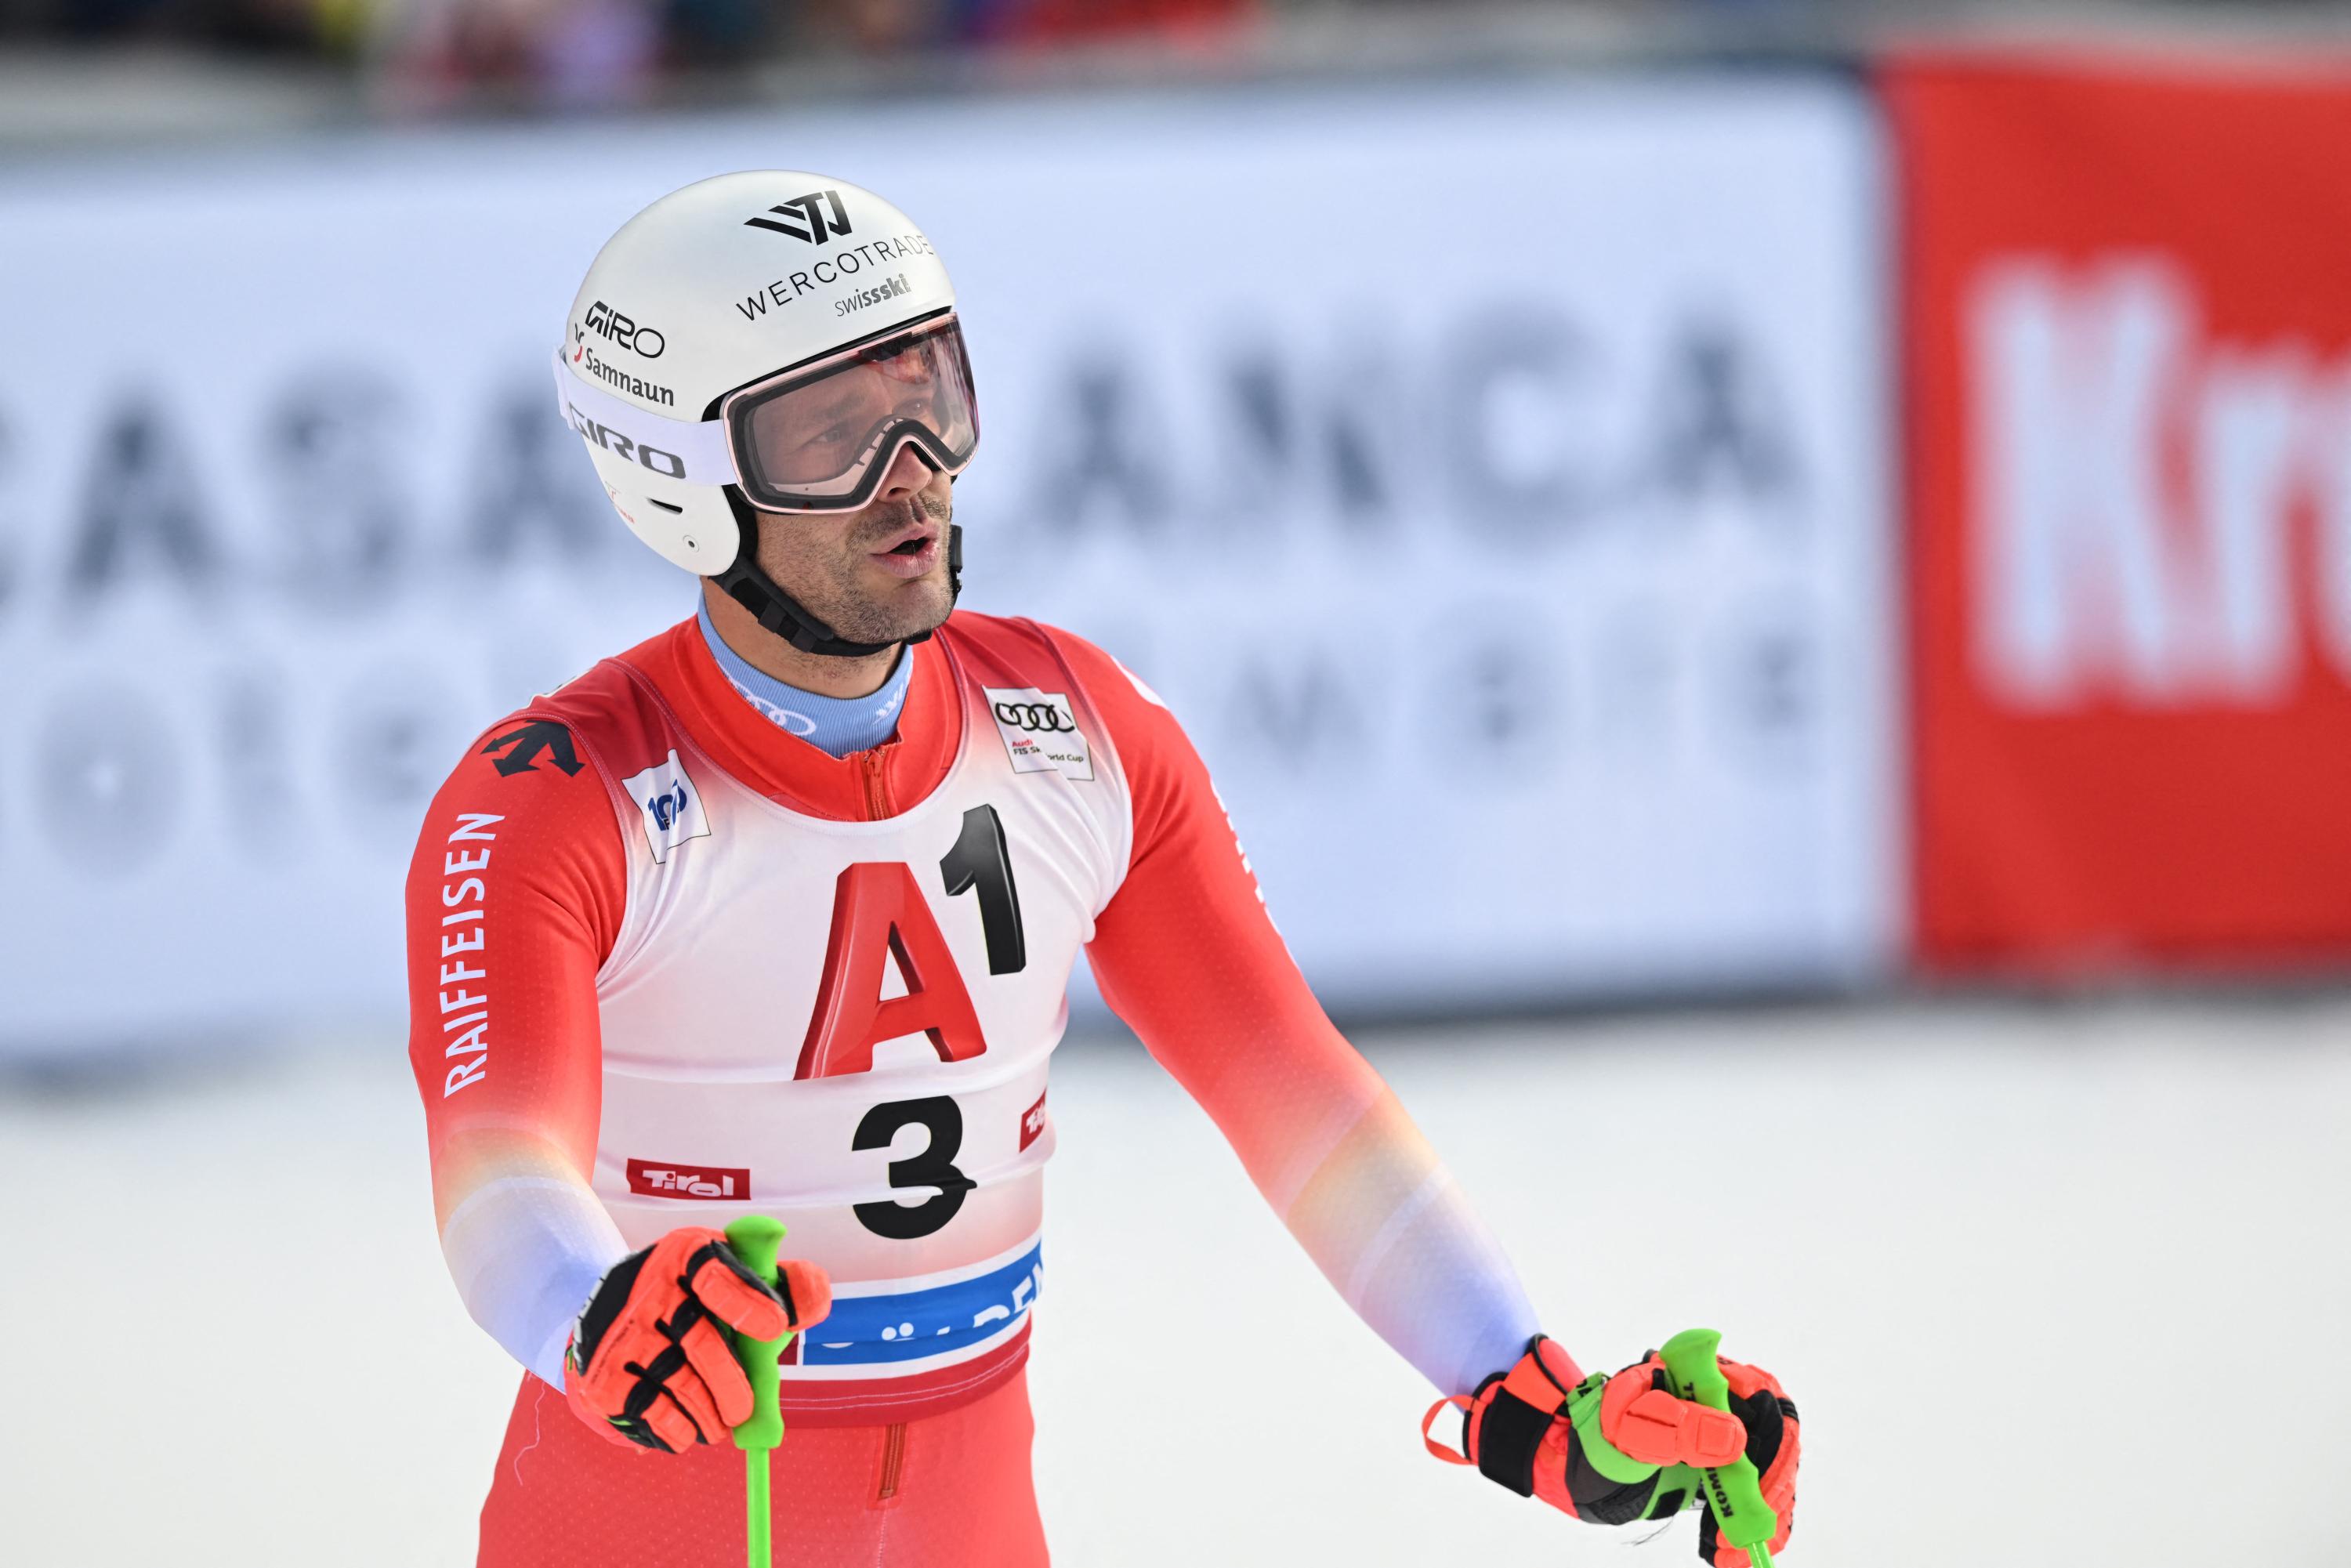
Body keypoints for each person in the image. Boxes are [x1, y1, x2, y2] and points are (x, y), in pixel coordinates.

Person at [403, 171, 1801, 1566]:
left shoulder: (1076, 727)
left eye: (929, 392)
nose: (914, 470)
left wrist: (1529, 1395)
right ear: (683, 480)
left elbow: (1299, 1097)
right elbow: (496, 1174)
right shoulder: (555, 797)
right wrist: (593, 1316)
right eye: (829, 433)